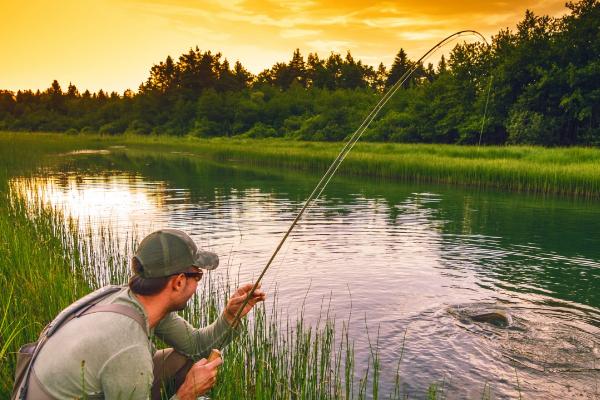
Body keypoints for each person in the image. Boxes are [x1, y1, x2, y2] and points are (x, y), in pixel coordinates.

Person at [27, 228, 265, 400]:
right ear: (179, 282)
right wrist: (186, 394)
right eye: (198, 276)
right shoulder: (129, 348)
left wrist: (231, 316)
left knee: (182, 359)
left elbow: (195, 346)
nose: (198, 284)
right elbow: (128, 354)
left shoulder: (131, 300)